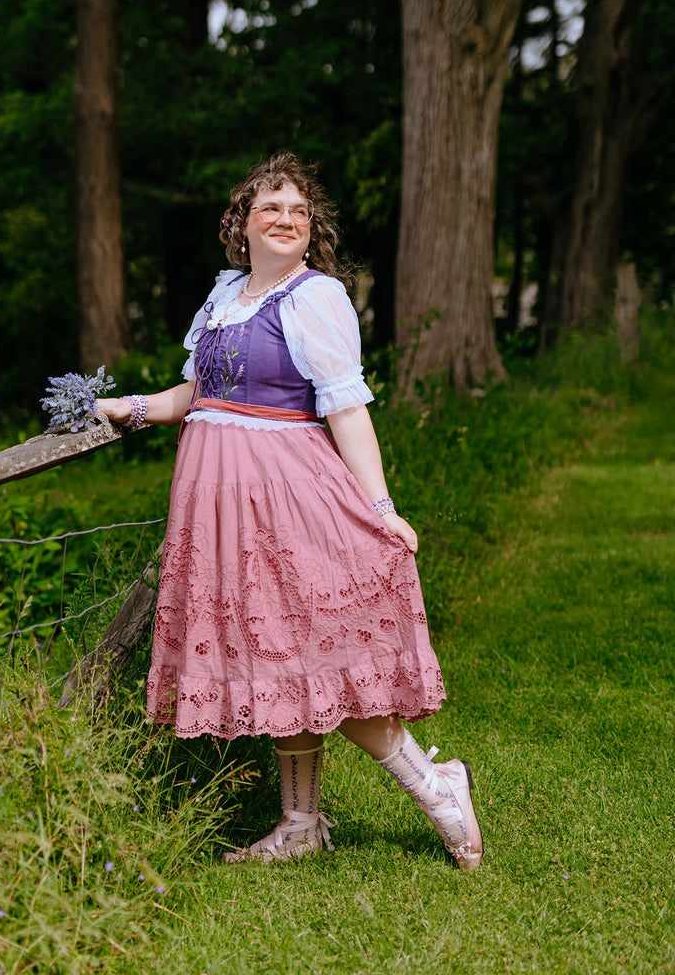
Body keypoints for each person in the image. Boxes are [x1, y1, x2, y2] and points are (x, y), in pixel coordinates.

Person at [98, 152, 483, 870]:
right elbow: (199, 394)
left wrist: (381, 507)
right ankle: (300, 824)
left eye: (299, 212)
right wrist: (136, 408)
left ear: (311, 233)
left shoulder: (316, 299)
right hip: (220, 507)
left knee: (318, 652)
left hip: (290, 498)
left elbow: (347, 408)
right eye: (270, 208)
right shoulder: (222, 299)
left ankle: (436, 786)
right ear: (241, 223)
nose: (285, 220)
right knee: (277, 662)